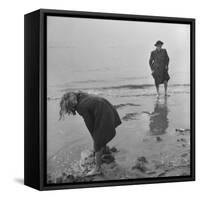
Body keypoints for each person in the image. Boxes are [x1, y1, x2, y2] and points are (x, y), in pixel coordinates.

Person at [59, 91, 121, 176]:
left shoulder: (81, 107)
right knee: (101, 134)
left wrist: (95, 140)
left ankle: (97, 168)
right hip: (107, 106)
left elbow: (89, 123)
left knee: (97, 141)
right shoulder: (81, 95)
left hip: (104, 112)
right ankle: (103, 149)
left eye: (71, 104)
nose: (74, 104)